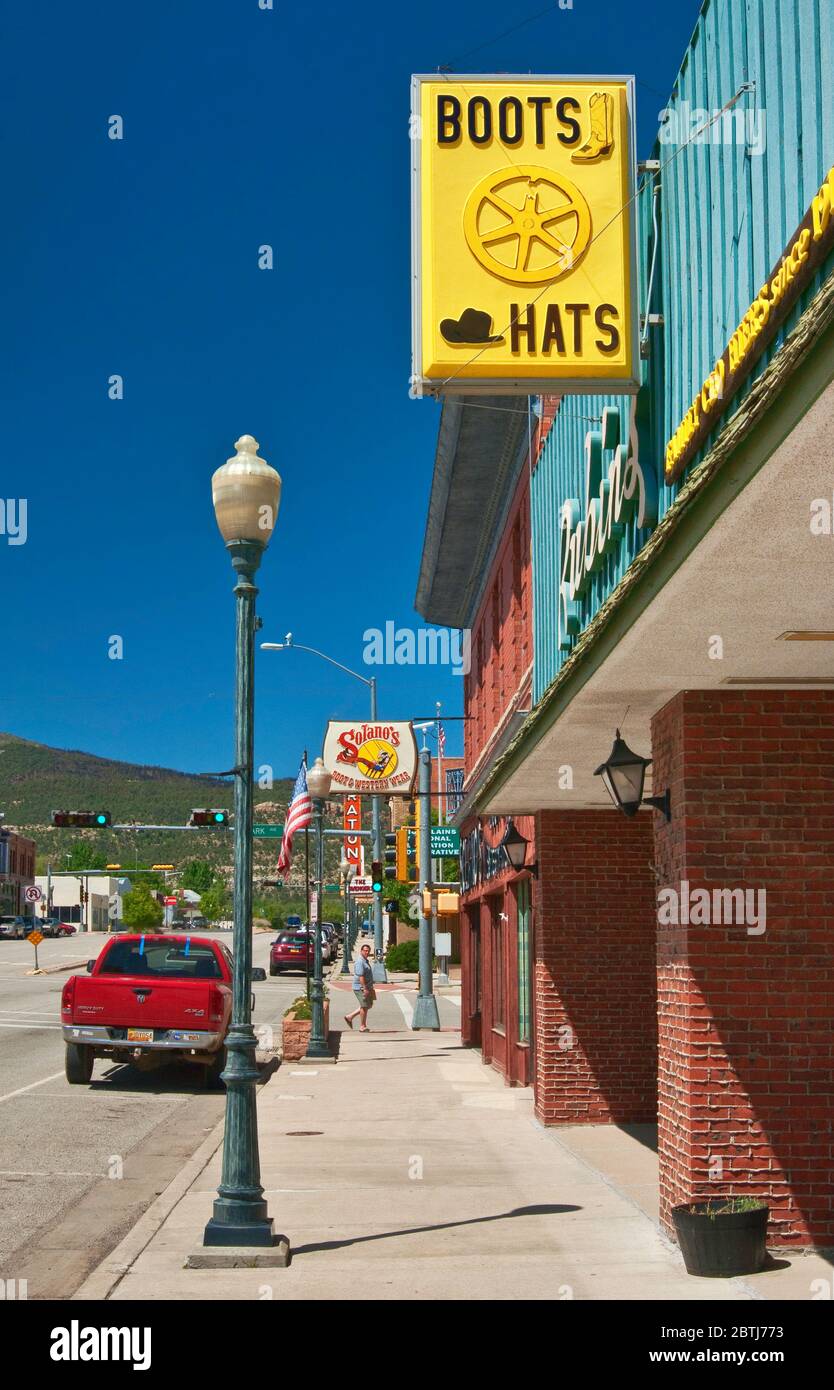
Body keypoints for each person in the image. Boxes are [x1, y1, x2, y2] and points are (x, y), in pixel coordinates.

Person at [344, 943, 375, 1032]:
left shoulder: (365, 961)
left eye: (368, 951)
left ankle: (350, 1017)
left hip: (367, 987)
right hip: (360, 988)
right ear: (361, 951)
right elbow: (361, 977)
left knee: (369, 1005)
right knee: (364, 1006)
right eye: (365, 950)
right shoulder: (360, 962)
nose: (367, 952)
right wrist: (364, 988)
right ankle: (362, 1026)